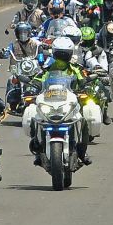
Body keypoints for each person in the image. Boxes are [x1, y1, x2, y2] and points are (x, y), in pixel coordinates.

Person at [30, 37, 92, 165]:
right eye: (60, 53)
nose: (62, 57)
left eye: (65, 53)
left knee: (83, 120)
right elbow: (37, 79)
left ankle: (82, 152)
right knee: (33, 116)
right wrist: (31, 87)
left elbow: (82, 81)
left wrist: (85, 87)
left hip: (69, 102)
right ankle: (38, 150)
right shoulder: (47, 68)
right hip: (50, 100)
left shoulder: (75, 68)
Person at [5, 22, 41, 111]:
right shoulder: (13, 45)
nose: (23, 35)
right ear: (17, 33)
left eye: (25, 32)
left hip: (33, 69)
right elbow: (6, 52)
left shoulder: (35, 44)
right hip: (18, 70)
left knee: (41, 80)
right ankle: (13, 104)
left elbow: (40, 51)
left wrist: (43, 51)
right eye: (21, 32)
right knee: (11, 80)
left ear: (29, 33)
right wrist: (1, 54)